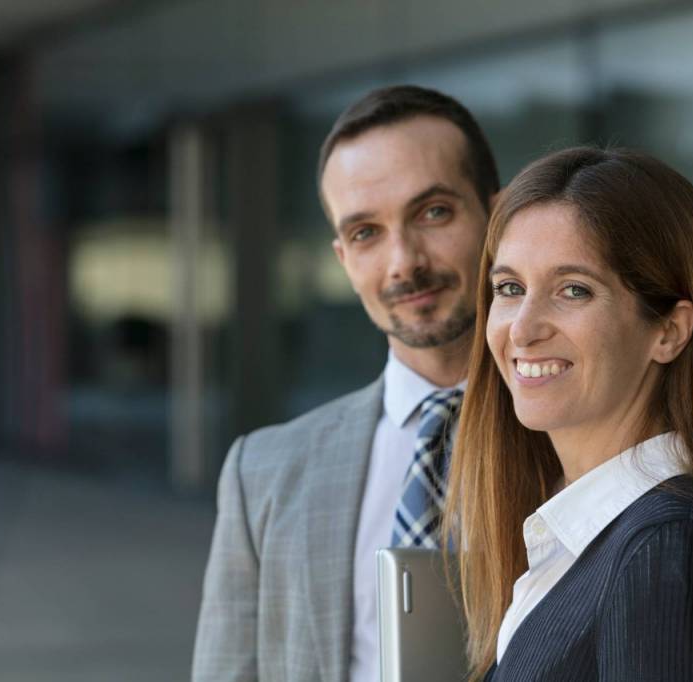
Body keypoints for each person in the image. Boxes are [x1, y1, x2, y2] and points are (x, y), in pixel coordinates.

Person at [443, 147, 693, 681]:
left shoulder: (664, 552)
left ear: (669, 331)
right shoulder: (586, 535)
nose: (522, 328)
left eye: (573, 290)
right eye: (510, 288)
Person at [192, 85, 499, 682]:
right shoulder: (263, 472)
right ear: (342, 257)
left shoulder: (588, 441)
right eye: (366, 233)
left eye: (433, 212)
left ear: (498, 212)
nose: (403, 262)